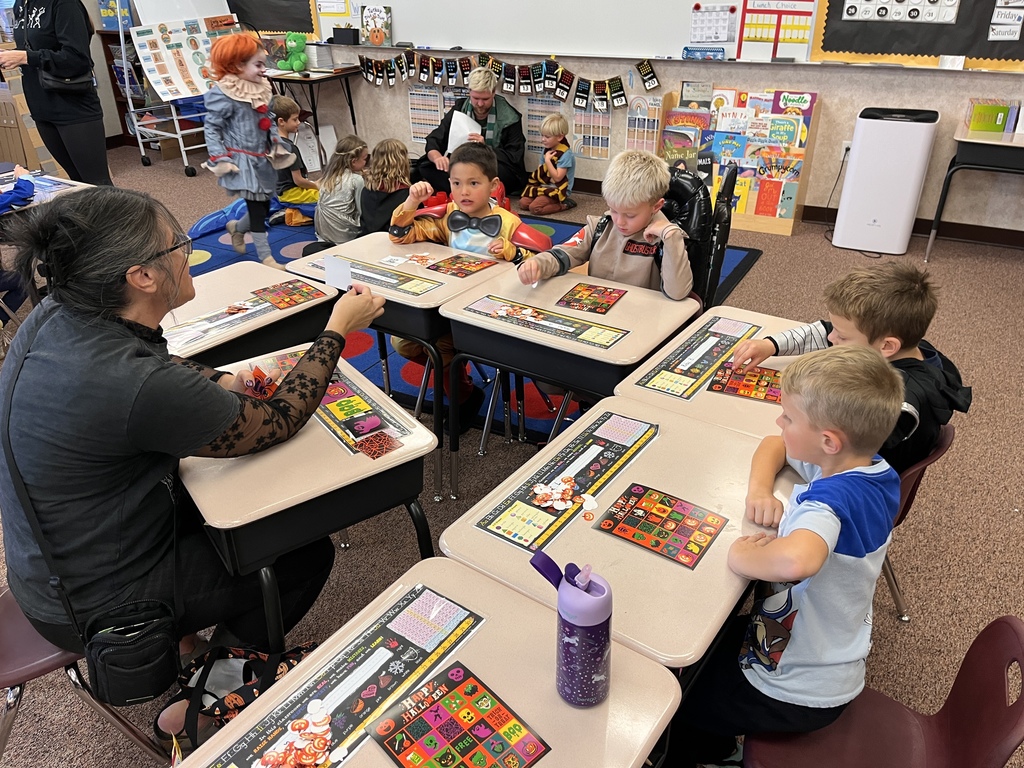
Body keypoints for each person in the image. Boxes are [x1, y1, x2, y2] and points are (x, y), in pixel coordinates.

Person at [0, 186, 385, 747]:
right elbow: (276, 420)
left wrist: (211, 384)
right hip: (93, 604)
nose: (187, 251)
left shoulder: (61, 311)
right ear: (142, 277)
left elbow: (144, 363)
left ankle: (190, 643)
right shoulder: (132, 382)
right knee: (296, 551)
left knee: (214, 507)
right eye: (176, 244)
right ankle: (203, 702)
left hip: (47, 563)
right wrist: (337, 327)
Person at [667, 345, 904, 767]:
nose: (780, 421)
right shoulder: (868, 469)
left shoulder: (827, 503)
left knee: (672, 700)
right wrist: (759, 490)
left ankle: (715, 755)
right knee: (707, 642)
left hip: (793, 687)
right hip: (828, 654)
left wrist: (743, 556)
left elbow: (798, 561)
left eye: (789, 417)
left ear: (828, 440)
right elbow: (772, 445)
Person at [731, 262, 971, 474]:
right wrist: (770, 345)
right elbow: (826, 330)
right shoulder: (912, 347)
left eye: (843, 338)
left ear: (887, 345)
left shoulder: (888, 399)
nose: (832, 338)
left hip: (857, 485)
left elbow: (836, 451)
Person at [390, 142, 534, 432]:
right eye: (456, 183)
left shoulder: (509, 223)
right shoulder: (448, 216)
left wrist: (512, 252)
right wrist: (410, 203)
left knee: (437, 349)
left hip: (487, 313)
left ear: (493, 185)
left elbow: (537, 266)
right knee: (402, 342)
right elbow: (400, 236)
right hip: (446, 305)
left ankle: (461, 393)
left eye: (473, 183)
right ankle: (461, 383)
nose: (464, 191)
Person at [517, 149, 693, 301]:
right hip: (598, 311)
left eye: (630, 215)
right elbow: (562, 254)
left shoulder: (666, 238)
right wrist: (538, 263)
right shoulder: (600, 226)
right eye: (613, 210)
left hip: (640, 319)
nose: (619, 221)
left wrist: (671, 237)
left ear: (656, 206)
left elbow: (677, 293)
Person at [0, 0, 112, 186]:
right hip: (42, 108)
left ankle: (120, 216)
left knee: (98, 185)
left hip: (73, 107)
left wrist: (26, 57)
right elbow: (34, 47)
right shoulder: (21, 4)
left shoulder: (64, 4)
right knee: (77, 183)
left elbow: (78, 59)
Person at [204, 33, 291, 270]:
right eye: (259, 64)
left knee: (263, 206)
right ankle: (267, 258)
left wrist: (276, 143)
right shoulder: (226, 94)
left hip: (262, 158)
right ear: (237, 65)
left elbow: (268, 120)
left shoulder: (259, 89)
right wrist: (220, 157)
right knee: (255, 206)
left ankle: (237, 228)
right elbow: (212, 128)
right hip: (240, 161)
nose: (264, 70)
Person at [413, 66, 526, 196]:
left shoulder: (510, 117)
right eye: (475, 98)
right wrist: (438, 157)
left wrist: (486, 148)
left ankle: (462, 188)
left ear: (493, 92)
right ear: (469, 92)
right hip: (463, 162)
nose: (480, 104)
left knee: (502, 175)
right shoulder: (460, 108)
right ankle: (472, 189)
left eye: (485, 99)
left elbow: (514, 157)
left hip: (490, 165)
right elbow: (436, 138)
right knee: (426, 165)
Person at [309, 134, 368, 249]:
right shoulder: (356, 180)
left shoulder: (328, 174)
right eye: (365, 159)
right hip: (344, 236)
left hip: (322, 233)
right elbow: (362, 211)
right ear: (354, 161)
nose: (366, 162)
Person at [518, 112, 575, 216]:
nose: (543, 139)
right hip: (544, 186)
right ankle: (542, 198)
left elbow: (557, 178)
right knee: (523, 203)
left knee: (535, 208)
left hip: (558, 190)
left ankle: (564, 205)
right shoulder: (546, 150)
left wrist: (548, 161)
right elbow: (540, 174)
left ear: (559, 137)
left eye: (547, 137)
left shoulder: (566, 154)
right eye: (542, 135)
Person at [270, 94, 319, 206]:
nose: (298, 123)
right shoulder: (291, 148)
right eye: (295, 119)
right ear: (281, 121)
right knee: (328, 196)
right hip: (292, 194)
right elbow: (298, 181)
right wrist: (316, 185)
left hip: (278, 191)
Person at [360, 137, 411, 234]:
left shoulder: (367, 190)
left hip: (367, 240)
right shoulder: (407, 195)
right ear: (403, 162)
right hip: (394, 243)